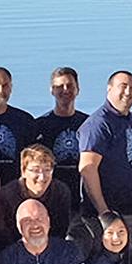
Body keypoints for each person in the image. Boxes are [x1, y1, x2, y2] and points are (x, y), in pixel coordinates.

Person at [79, 71, 132, 264]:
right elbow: (87, 169)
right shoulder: (99, 124)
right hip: (111, 215)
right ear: (109, 89)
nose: (128, 92)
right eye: (123, 86)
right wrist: (104, 212)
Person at [30, 67, 89, 220]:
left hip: (81, 199)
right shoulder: (40, 125)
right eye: (59, 86)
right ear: (51, 90)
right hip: (49, 199)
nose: (65, 90)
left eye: (70, 86)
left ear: (77, 89)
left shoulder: (87, 124)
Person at [0, 143, 73, 252]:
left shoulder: (61, 192)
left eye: (47, 170)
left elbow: (60, 230)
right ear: (23, 171)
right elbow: (2, 234)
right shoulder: (6, 195)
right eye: (36, 170)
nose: (42, 177)